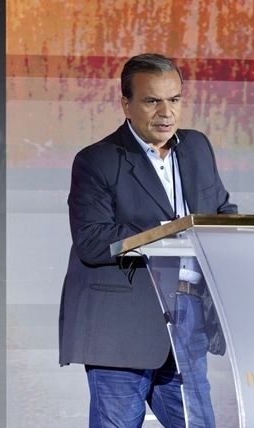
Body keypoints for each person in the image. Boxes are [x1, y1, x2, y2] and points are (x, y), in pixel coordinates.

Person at [59, 53, 237, 428]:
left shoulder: (197, 147)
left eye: (174, 99)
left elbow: (221, 210)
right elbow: (92, 241)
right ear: (126, 104)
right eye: (152, 100)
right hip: (121, 328)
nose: (166, 113)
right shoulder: (97, 160)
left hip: (188, 319)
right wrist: (169, 231)